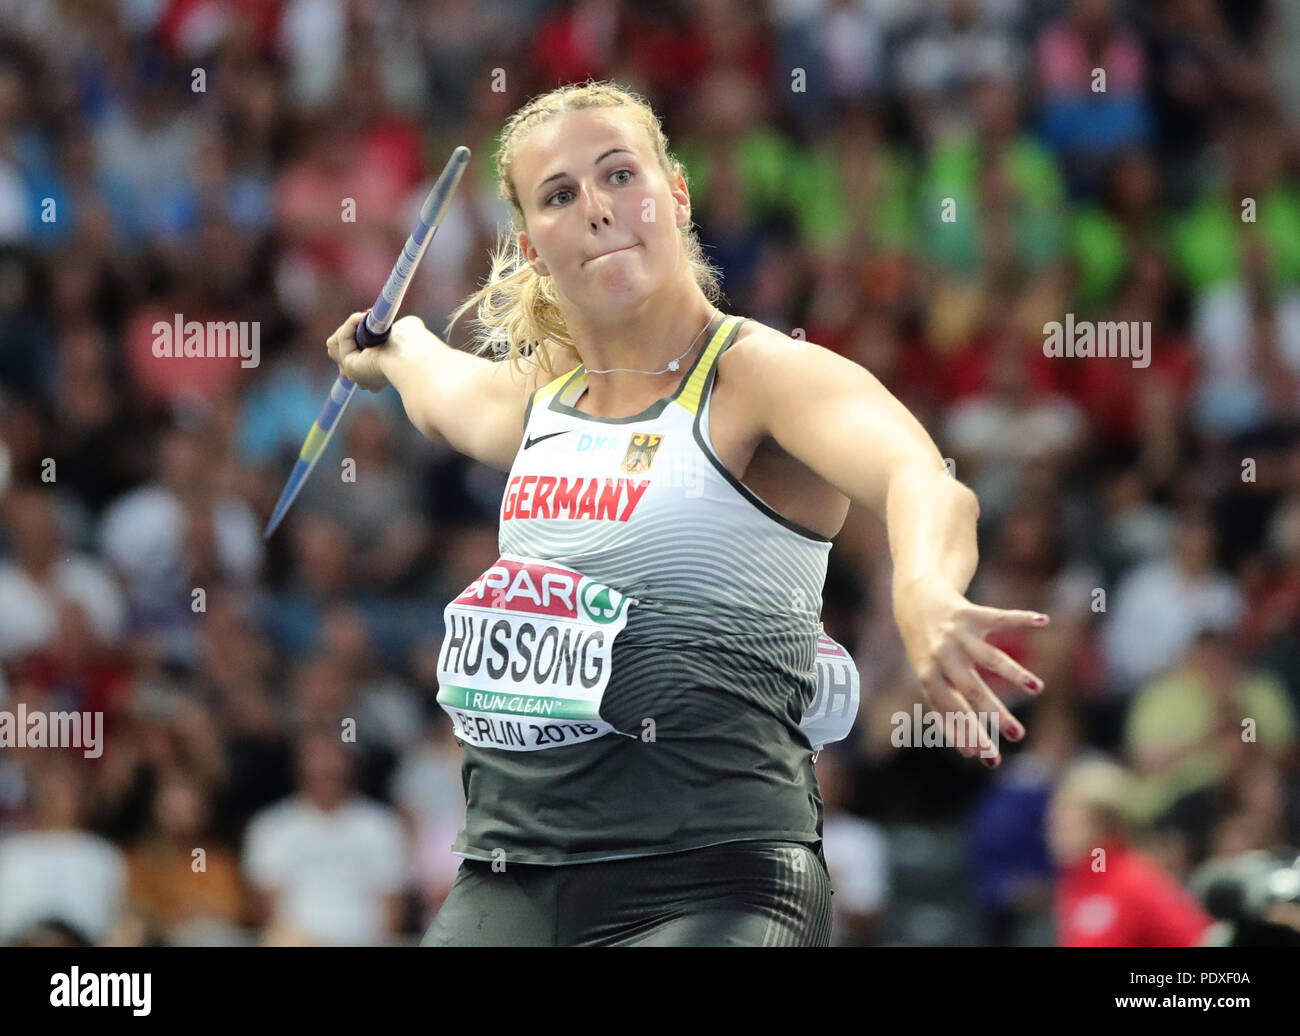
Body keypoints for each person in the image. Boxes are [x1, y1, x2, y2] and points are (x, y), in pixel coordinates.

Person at [325, 80, 1050, 947]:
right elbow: (436, 383)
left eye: (619, 175)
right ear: (528, 244)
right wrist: (389, 348)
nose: (598, 209)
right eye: (560, 195)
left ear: (676, 194)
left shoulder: (759, 377)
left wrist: (926, 586)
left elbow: (920, 477)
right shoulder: (536, 404)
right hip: (509, 879)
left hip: (715, 880)